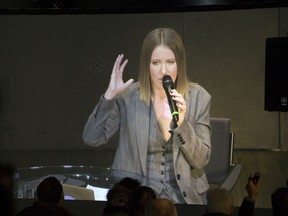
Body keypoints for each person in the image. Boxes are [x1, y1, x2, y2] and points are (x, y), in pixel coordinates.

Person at [83, 27, 212, 204]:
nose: (163, 71)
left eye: (171, 62)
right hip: (137, 198)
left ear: (179, 63)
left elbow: (201, 160)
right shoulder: (129, 97)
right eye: (156, 63)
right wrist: (109, 96)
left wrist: (183, 126)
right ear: (147, 65)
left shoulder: (199, 97)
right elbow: (92, 138)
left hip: (182, 199)